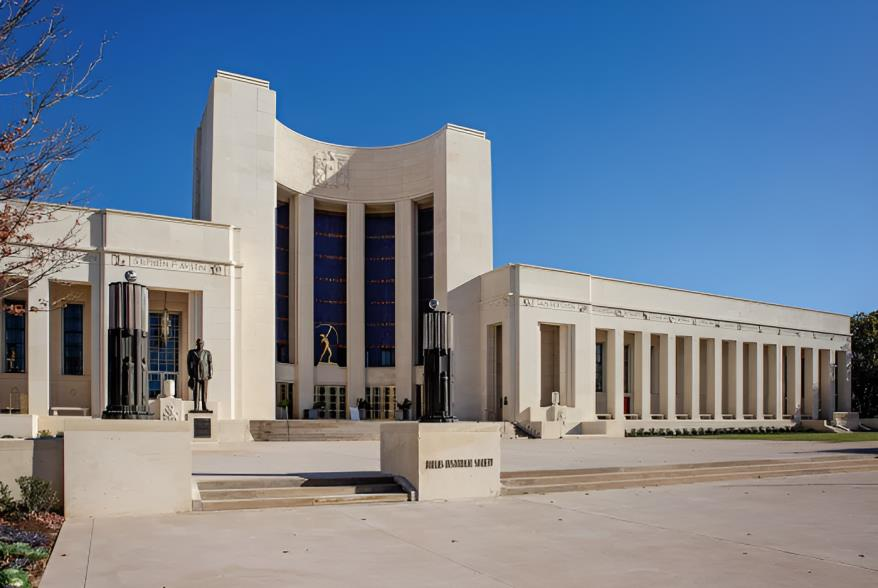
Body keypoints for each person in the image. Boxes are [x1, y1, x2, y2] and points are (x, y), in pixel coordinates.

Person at [187, 338, 213, 412]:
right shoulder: (192, 352)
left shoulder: (207, 353)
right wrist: (190, 373)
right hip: (195, 375)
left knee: (204, 392)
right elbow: (188, 364)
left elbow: (210, 363)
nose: (200, 344)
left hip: (205, 375)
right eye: (198, 343)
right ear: (196, 344)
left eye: (201, 343)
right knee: (196, 392)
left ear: (203, 344)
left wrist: (210, 373)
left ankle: (204, 407)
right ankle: (196, 407)